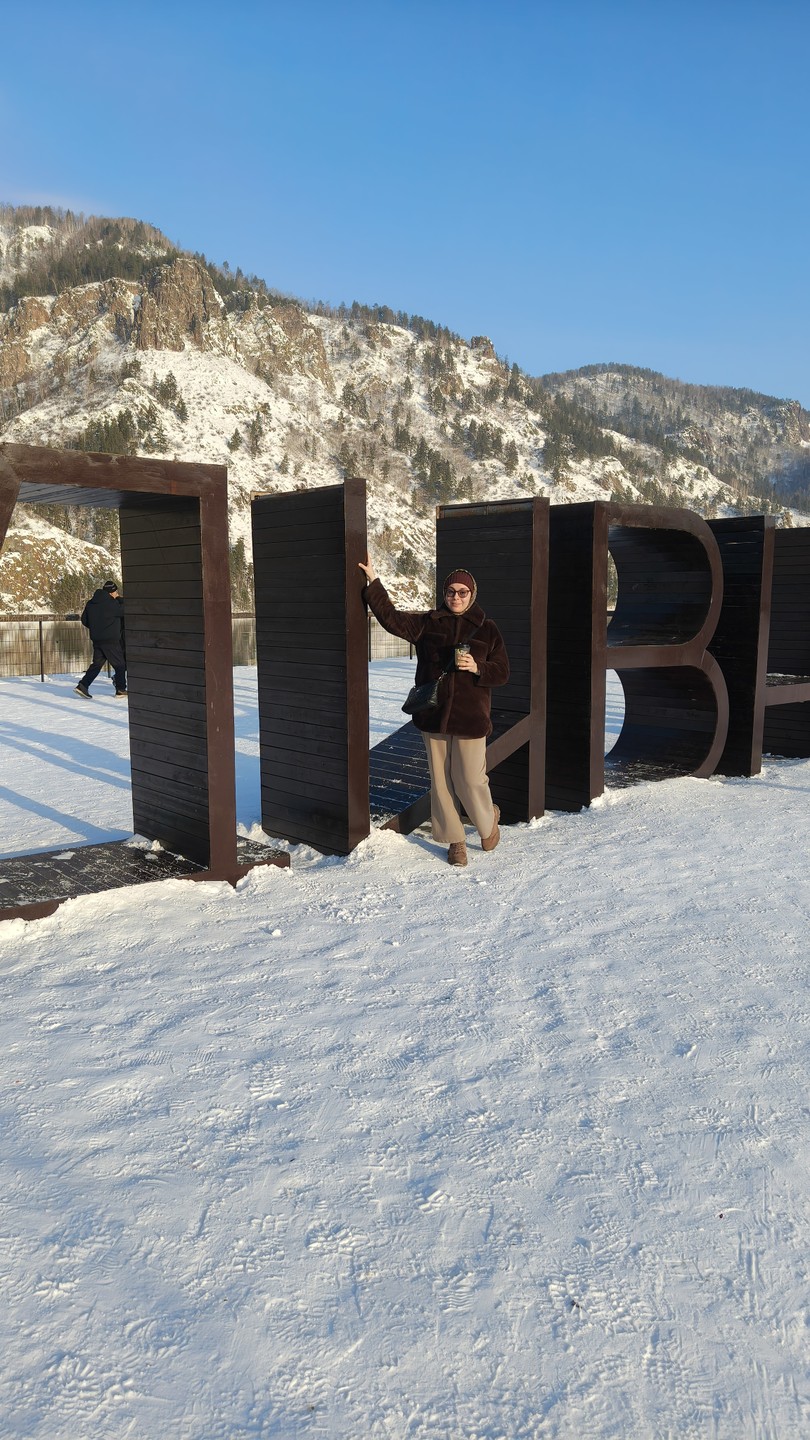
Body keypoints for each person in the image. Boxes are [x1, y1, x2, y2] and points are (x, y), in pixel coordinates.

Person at [359, 557, 509, 866]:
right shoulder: (429, 623)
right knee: (441, 781)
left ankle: (487, 820)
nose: (456, 597)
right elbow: (391, 618)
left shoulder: (487, 628)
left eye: (463, 592)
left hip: (471, 718)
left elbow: (503, 671)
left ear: (472, 594)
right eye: (451, 591)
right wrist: (374, 582)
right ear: (444, 593)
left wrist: (478, 667)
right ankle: (455, 841)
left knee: (470, 779)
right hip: (434, 714)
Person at [75, 580, 127, 699]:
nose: (117, 594)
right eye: (116, 592)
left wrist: (96, 628)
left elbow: (84, 620)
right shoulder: (113, 604)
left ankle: (83, 685)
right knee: (120, 665)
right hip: (111, 640)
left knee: (97, 664)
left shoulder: (91, 603)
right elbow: (125, 611)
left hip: (97, 640)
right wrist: (120, 599)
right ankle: (121, 690)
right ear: (112, 592)